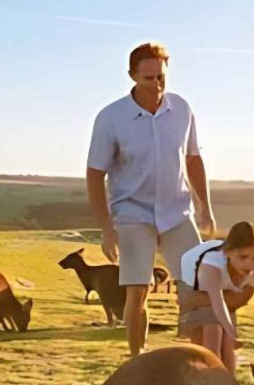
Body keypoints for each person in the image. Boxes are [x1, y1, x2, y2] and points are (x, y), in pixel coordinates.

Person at [86, 41, 215, 356]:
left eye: (161, 76)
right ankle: (136, 360)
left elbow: (194, 160)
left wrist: (205, 208)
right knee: (138, 289)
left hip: (176, 212)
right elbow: (94, 174)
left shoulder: (182, 109)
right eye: (149, 78)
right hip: (132, 213)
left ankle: (203, 360)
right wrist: (107, 228)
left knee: (199, 285)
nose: (157, 83)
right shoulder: (111, 117)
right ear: (132, 76)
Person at [177, 222, 254, 374]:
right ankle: (213, 376)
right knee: (214, 327)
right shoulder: (212, 262)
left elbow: (241, 299)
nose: (250, 264)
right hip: (192, 289)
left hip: (217, 295)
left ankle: (229, 384)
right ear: (228, 252)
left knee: (227, 343)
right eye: (243, 257)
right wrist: (231, 331)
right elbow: (217, 302)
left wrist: (230, 334)